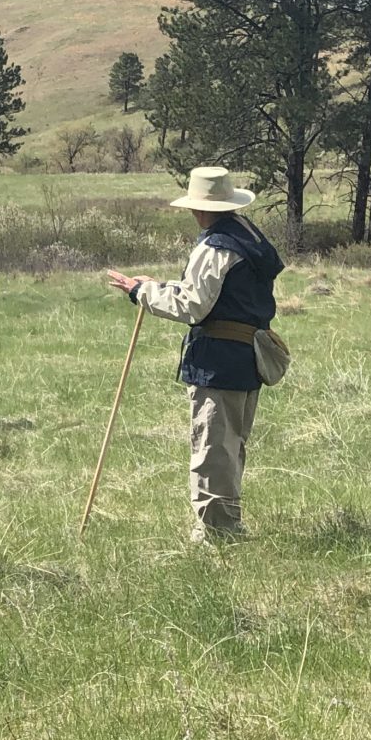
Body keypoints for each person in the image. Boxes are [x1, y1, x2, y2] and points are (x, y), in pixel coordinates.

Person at [104, 165, 284, 544]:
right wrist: (160, 285)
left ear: (199, 208)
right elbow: (215, 296)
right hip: (245, 357)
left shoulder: (215, 245)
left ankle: (217, 534)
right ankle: (227, 524)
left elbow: (193, 306)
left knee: (213, 447)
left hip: (218, 361)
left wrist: (141, 293)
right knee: (229, 444)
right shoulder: (245, 235)